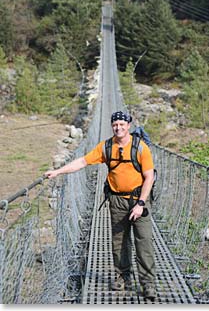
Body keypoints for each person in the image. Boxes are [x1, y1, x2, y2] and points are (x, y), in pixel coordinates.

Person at [45, 111, 156, 299]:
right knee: (119, 242)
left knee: (143, 242)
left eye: (122, 124)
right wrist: (58, 171)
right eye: (115, 125)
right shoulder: (106, 147)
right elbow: (82, 161)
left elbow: (149, 177)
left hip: (139, 200)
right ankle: (123, 278)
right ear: (112, 126)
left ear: (128, 125)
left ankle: (148, 285)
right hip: (116, 200)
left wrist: (141, 204)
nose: (118, 128)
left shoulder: (141, 148)